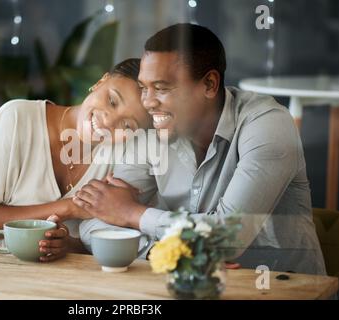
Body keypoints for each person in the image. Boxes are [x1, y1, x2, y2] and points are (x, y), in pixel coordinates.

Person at [74, 24, 326, 275]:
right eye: (143, 88)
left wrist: (133, 213)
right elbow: (97, 220)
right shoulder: (153, 129)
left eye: (162, 88)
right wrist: (169, 255)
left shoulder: (268, 124)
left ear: (209, 84)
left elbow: (229, 237)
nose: (148, 102)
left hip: (282, 287)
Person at [0, 58, 152, 262]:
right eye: (112, 101)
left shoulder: (123, 161)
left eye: (127, 126)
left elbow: (92, 243)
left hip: (55, 280)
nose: (109, 121)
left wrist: (68, 245)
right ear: (100, 82)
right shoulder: (17, 119)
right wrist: (70, 208)